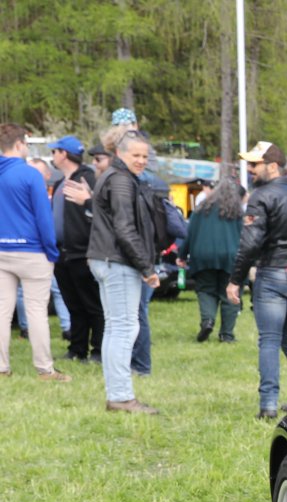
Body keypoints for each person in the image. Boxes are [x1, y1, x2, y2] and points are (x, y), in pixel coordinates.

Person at [227, 140, 287, 420]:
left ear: (273, 166)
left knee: (269, 340)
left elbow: (250, 244)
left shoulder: (261, 196)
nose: (249, 169)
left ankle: (268, 404)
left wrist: (235, 280)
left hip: (273, 273)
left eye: (254, 164)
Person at [86, 129, 163, 412]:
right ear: (120, 153)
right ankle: (120, 396)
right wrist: (146, 267)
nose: (141, 160)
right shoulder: (120, 180)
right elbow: (125, 228)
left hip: (107, 258)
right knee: (124, 328)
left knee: (115, 327)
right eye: (136, 155)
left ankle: (117, 393)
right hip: (117, 261)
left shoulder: (116, 176)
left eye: (145, 155)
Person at [0, 124, 71, 383]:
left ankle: (2, 368)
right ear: (19, 144)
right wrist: (51, 250)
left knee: (2, 311)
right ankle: (45, 369)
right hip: (32, 250)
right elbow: (44, 217)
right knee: (36, 311)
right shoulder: (30, 175)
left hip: (1, 249)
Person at [48, 136, 102, 363]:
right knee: (73, 304)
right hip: (62, 253)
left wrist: (92, 248)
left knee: (92, 304)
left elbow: (97, 214)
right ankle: (77, 349)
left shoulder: (87, 179)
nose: (52, 156)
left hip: (83, 252)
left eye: (54, 152)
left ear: (64, 154)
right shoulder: (61, 182)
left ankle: (98, 350)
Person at [177, 177, 243, 343]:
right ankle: (226, 334)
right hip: (230, 257)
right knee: (230, 294)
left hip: (203, 255)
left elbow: (190, 233)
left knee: (206, 290)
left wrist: (182, 255)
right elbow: (244, 236)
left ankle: (208, 320)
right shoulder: (237, 211)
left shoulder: (201, 208)